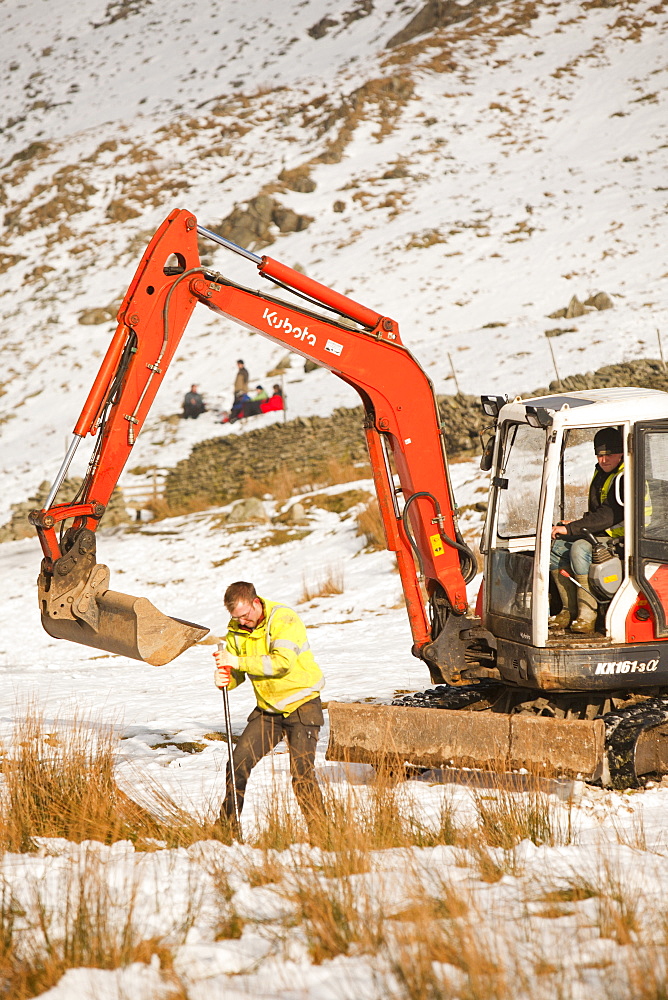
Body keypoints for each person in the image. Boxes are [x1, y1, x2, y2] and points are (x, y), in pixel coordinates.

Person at [213, 581, 326, 841]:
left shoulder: (284, 619)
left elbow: (282, 663)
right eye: (236, 617)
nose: (242, 621)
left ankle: (323, 836)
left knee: (302, 776)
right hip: (268, 710)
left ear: (255, 602)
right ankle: (226, 831)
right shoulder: (236, 631)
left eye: (245, 615)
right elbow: (237, 674)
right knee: (238, 763)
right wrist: (224, 679)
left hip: (302, 705)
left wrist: (236, 661)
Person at [550, 427, 624, 633]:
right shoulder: (603, 474)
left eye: (609, 454)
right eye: (599, 455)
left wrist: (574, 529)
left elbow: (610, 516)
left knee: (580, 549)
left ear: (621, 453)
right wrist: (574, 524)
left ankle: (587, 614)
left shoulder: (623, 477)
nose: (603, 459)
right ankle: (568, 610)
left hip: (628, 539)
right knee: (557, 548)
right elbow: (600, 512)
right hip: (604, 532)